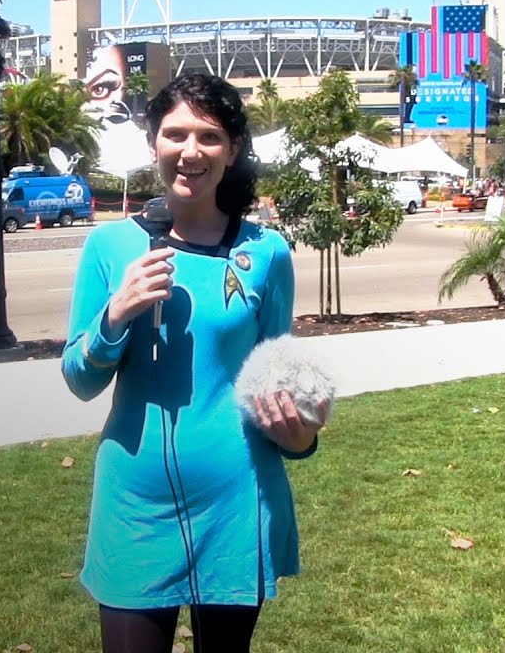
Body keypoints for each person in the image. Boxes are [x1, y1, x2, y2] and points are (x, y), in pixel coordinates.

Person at [61, 72, 324, 652]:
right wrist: (115, 316)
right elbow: (79, 379)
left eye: (208, 137)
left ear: (231, 151)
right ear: (153, 142)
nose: (190, 151)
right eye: (174, 134)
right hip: (135, 505)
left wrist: (301, 436)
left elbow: (275, 384)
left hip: (236, 500)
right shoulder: (110, 248)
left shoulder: (267, 253)